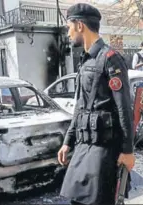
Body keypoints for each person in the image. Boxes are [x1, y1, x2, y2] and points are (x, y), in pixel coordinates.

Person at [57, 3, 136, 205]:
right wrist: (68, 140)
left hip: (104, 151)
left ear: (80, 25)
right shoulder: (85, 61)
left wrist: (127, 151)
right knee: (75, 199)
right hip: (84, 147)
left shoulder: (111, 59)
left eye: (69, 27)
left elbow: (124, 108)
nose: (68, 32)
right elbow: (80, 107)